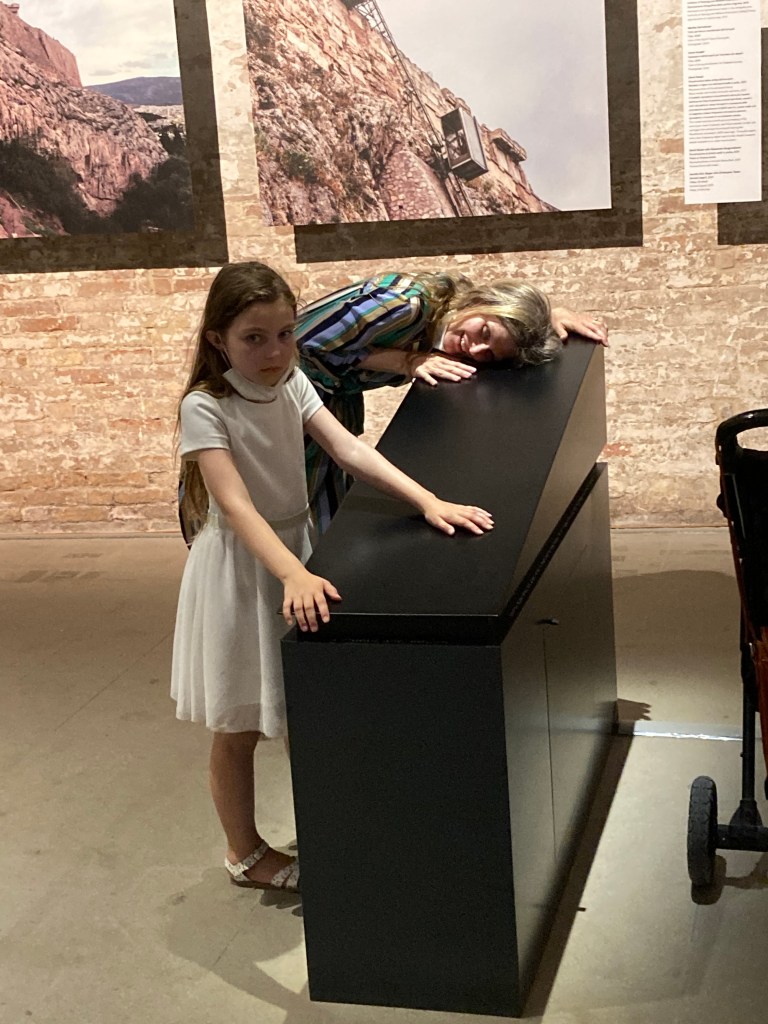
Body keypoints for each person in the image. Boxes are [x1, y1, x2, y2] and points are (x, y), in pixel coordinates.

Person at [171, 262, 494, 894]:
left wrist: (428, 500)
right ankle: (243, 852)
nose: (274, 352)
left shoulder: (292, 381)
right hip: (243, 568)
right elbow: (236, 505)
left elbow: (348, 449)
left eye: (285, 334)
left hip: (296, 549)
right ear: (218, 340)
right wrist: (293, 572)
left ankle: (334, 828)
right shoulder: (205, 405)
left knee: (307, 706)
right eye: (254, 338)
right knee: (238, 723)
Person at [297, 271, 608, 531]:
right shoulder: (406, 304)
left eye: (489, 353)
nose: (475, 349)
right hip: (291, 402)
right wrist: (406, 361)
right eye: (484, 332)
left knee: (328, 518)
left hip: (329, 406)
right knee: (291, 508)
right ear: (480, 302)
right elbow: (302, 343)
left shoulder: (449, 322)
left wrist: (554, 315)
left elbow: (502, 321)